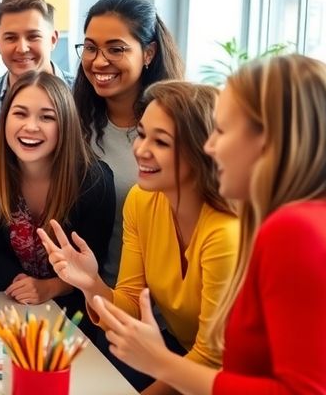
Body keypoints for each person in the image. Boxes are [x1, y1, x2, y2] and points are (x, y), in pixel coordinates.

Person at [89, 55, 326, 394]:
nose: (210, 146)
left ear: (268, 142)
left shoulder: (300, 230)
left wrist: (162, 363)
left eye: (222, 130)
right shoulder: (325, 220)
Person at [40, 81, 238, 393]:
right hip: (183, 359)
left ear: (204, 150)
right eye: (142, 134)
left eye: (161, 142)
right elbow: (129, 305)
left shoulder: (225, 233)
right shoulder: (142, 200)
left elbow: (212, 360)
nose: (141, 150)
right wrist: (90, 283)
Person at [0, 70, 114, 314]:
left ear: (66, 125)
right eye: (20, 114)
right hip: (9, 295)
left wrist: (50, 287)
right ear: (5, 118)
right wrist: (22, 283)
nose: (31, 126)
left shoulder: (95, 180)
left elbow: (94, 262)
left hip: (73, 308)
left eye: (47, 117)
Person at [74, 0, 184, 286]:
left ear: (148, 53)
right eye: (90, 48)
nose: (99, 61)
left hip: (161, 311)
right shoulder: (74, 124)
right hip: (89, 300)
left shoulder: (176, 129)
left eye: (116, 49)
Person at [0, 0, 73, 128]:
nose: (22, 48)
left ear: (53, 39)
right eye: (11, 38)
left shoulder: (82, 93)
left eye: (33, 37)